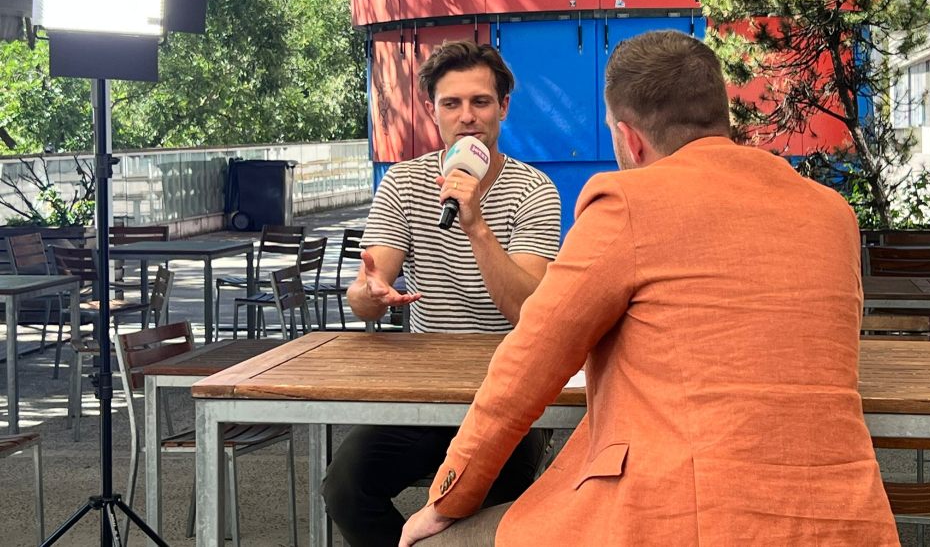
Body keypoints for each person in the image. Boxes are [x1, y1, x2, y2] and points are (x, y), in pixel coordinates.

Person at [400, 30, 899, 546]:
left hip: (684, 518)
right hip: (843, 519)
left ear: (628, 139)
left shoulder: (627, 203)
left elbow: (524, 369)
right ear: (718, 116)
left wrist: (446, 499)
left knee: (433, 542)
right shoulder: (831, 214)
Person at [321, 40, 562, 547]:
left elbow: (526, 308)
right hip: (422, 396)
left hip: (509, 396)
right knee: (345, 486)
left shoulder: (534, 189)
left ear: (503, 108)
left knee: (494, 514)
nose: (467, 116)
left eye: (480, 102)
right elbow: (368, 287)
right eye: (451, 103)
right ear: (432, 112)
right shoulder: (403, 182)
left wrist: (476, 225)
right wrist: (369, 293)